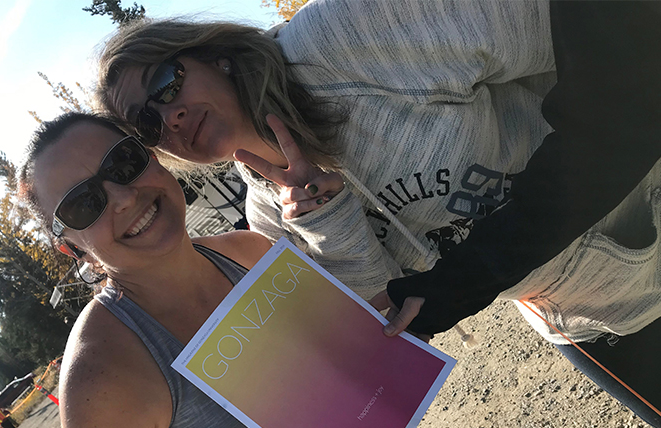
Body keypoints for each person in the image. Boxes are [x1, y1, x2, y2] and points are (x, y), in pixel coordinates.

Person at [92, 0, 661, 424]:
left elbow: (582, 28)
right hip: (593, 319)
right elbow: (389, 333)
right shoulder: (271, 221)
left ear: (212, 53)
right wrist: (326, 221)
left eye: (165, 84)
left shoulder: (348, 38)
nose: (167, 119)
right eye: (146, 124)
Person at [18, 112, 271, 427]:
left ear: (152, 158)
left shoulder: (253, 253)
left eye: (123, 162)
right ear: (73, 248)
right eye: (83, 204)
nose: (123, 198)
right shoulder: (104, 380)